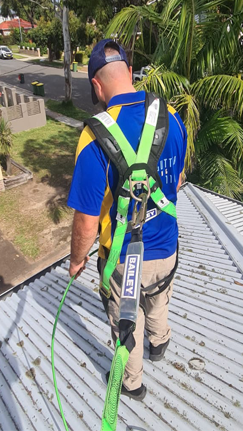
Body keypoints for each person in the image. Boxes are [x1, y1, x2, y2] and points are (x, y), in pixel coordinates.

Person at [67, 39, 187, 401]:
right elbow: (178, 178)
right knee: (159, 300)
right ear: (130, 74)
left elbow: (87, 222)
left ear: (97, 86)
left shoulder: (93, 137)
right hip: (166, 247)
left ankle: (131, 383)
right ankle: (160, 343)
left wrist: (76, 260)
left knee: (125, 324)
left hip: (124, 262)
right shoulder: (172, 116)